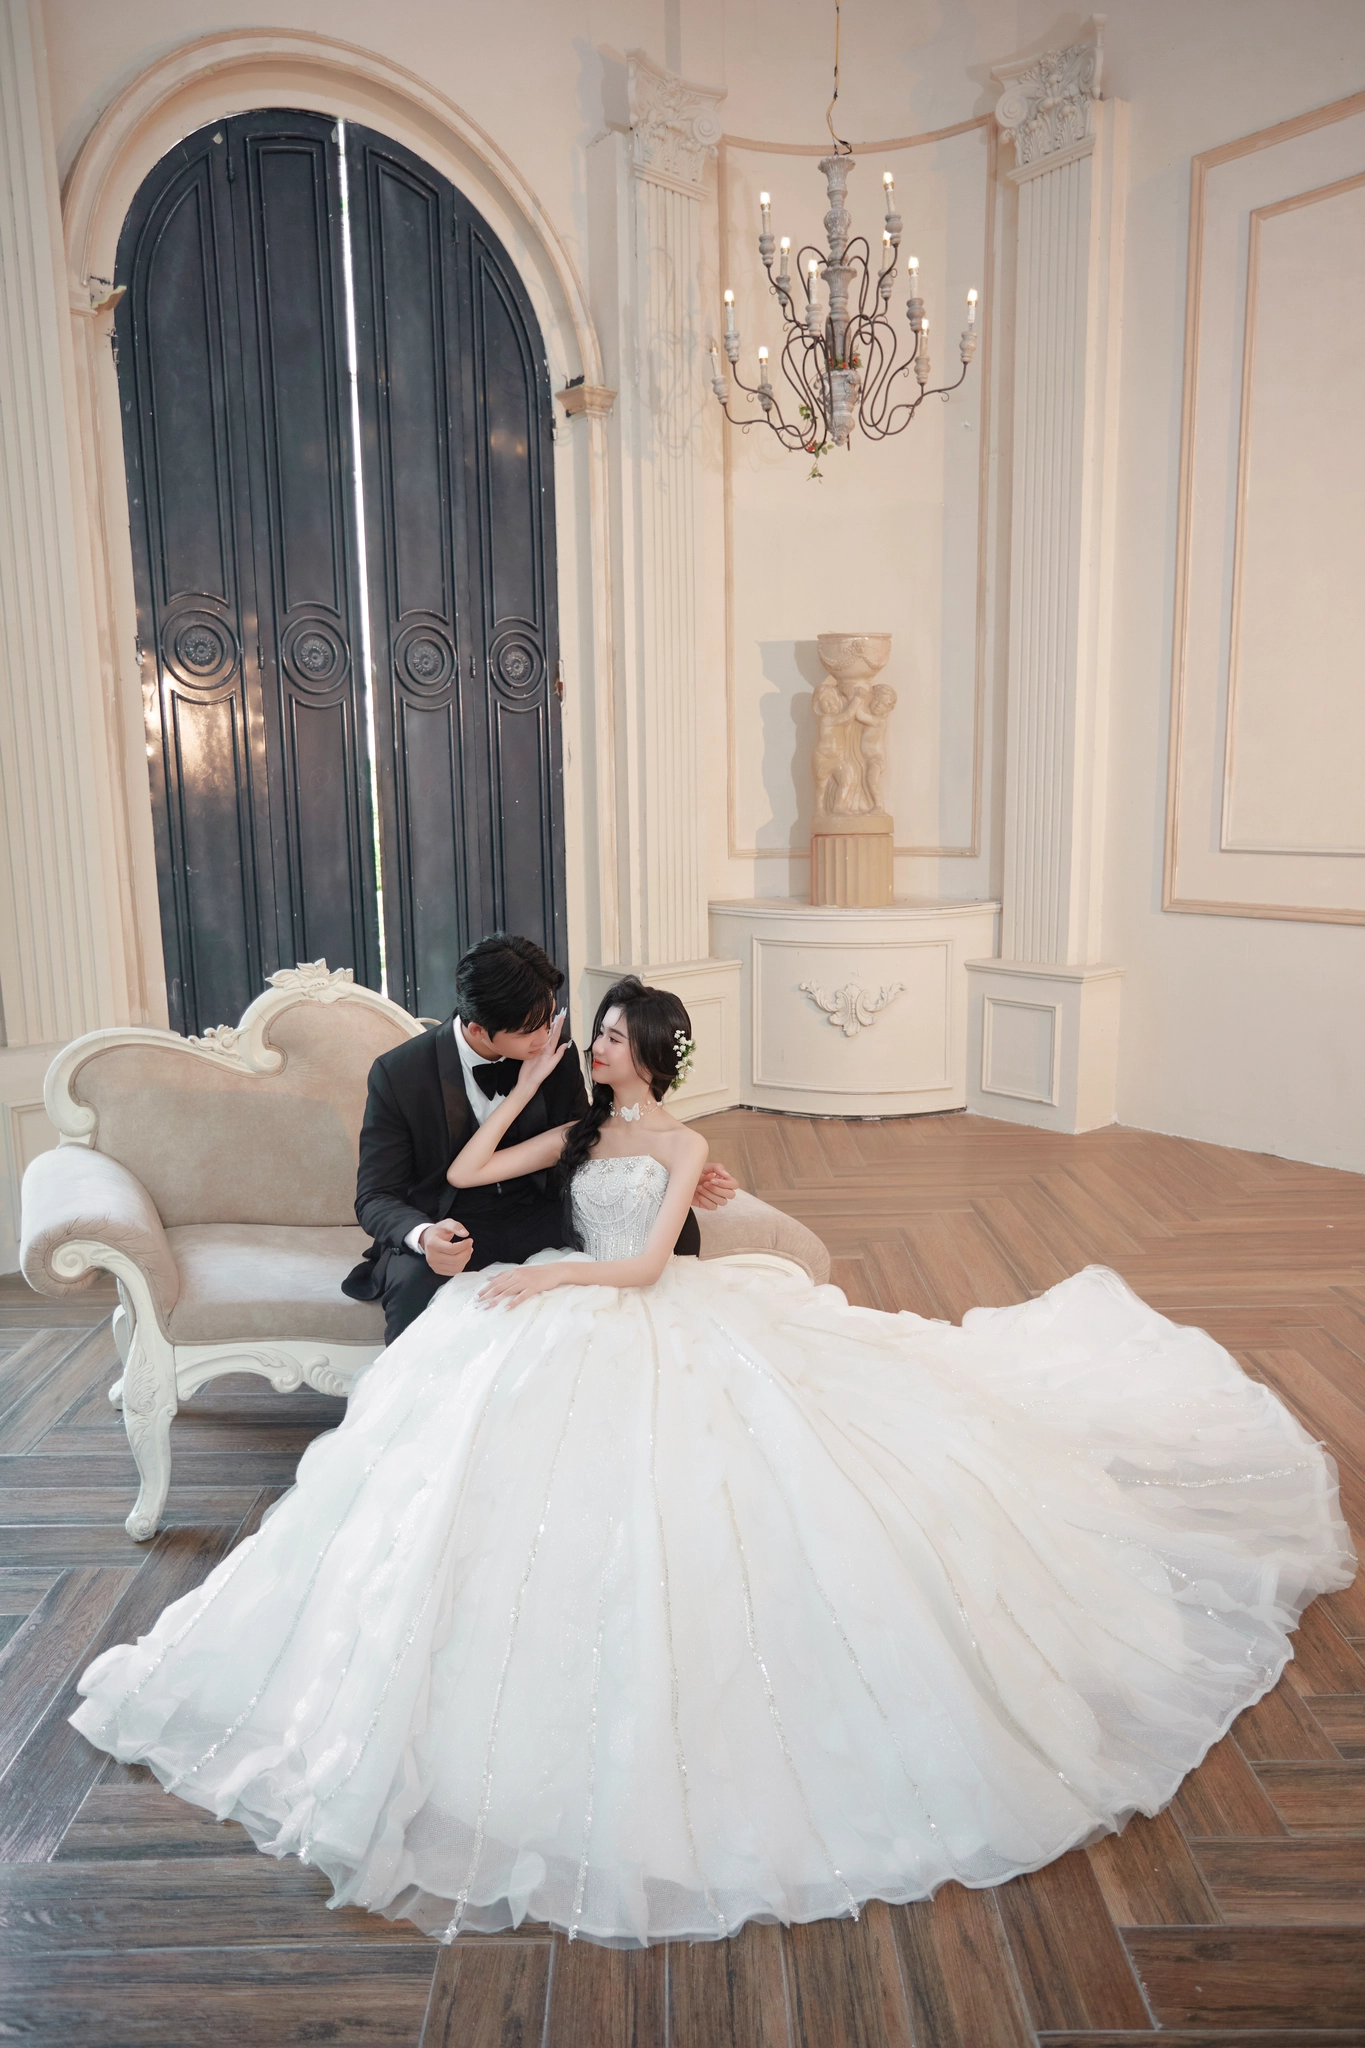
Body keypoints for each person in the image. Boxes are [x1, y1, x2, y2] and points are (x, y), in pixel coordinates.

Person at [71, 979, 1354, 1950]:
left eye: (611, 1036)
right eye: (592, 1031)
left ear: (651, 1053)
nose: (596, 1044)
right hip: (557, 1301)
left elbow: (642, 1264)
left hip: (627, 1305)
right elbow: (463, 1171)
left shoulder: (680, 1146)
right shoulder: (576, 1125)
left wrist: (559, 1276)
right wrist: (532, 1090)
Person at [340, 933, 737, 1340]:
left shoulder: (553, 1050)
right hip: (453, 1224)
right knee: (413, 1286)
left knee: (672, 1229)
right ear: (479, 1029)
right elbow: (375, 1195)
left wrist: (669, 1173)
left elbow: (590, 1140)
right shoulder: (401, 1074)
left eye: (550, 1018)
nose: (548, 1034)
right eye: (533, 1029)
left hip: (540, 1216)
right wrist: (425, 1236)